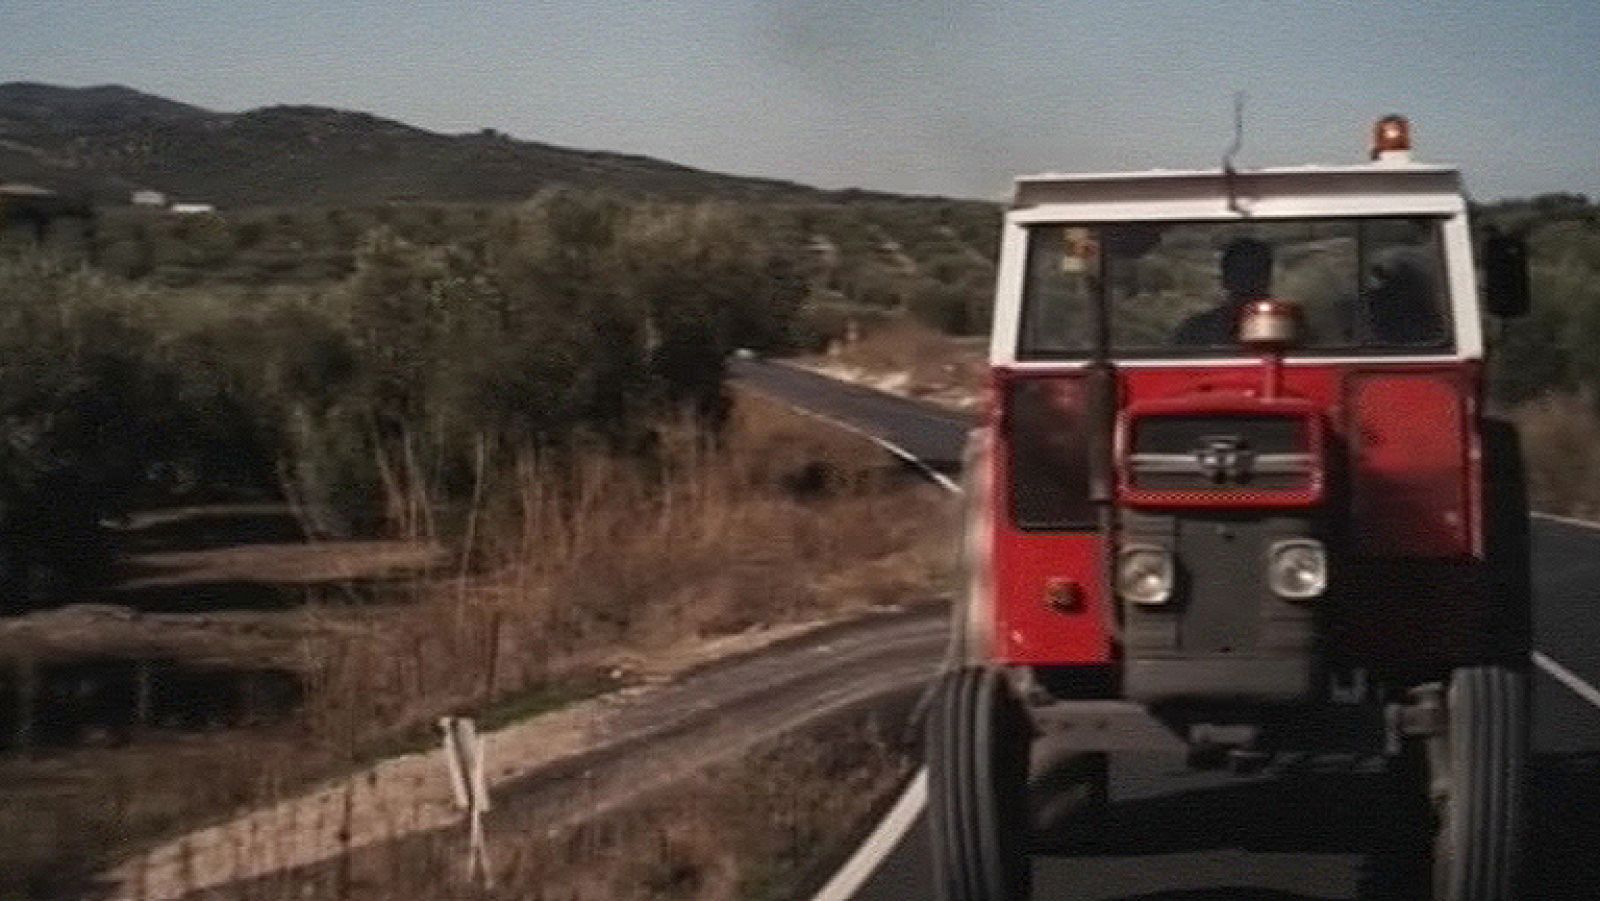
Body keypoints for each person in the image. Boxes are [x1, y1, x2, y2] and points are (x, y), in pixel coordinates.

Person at [1173, 237, 1273, 346]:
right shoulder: (1196, 332)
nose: (1247, 280)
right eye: (1241, 273)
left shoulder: (1289, 327)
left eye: (1254, 273)